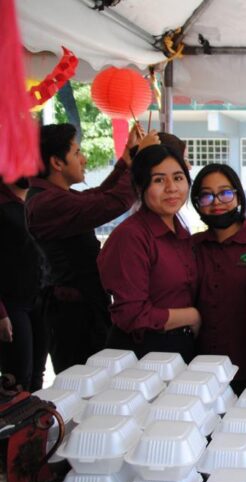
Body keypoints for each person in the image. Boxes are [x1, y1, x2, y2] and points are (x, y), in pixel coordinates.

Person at [25, 123, 151, 372]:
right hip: (74, 315)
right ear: (56, 162)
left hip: (83, 306)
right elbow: (113, 202)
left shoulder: (54, 196)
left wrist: (127, 159)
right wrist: (139, 162)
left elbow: (100, 195)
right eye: (76, 152)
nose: (84, 159)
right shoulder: (46, 203)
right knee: (84, 380)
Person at [97, 144, 199, 362]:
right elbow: (132, 314)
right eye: (159, 180)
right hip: (142, 353)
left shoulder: (181, 230)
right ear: (139, 186)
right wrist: (191, 316)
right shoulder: (131, 236)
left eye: (178, 178)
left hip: (179, 347)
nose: (172, 188)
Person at [191, 164, 246, 394]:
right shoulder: (192, 246)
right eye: (206, 195)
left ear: (238, 196)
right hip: (201, 373)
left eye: (225, 193)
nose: (216, 202)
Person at [0, 179, 46, 391]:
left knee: (37, 375)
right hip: (11, 304)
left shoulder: (34, 200)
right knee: (18, 378)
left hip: (39, 297)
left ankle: (35, 413)